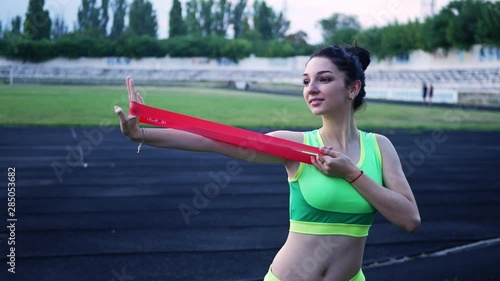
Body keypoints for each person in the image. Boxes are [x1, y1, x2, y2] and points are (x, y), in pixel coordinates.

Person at [114, 44, 421, 281]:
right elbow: (215, 141)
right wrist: (142, 133)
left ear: (352, 88)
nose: (311, 88)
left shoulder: (379, 147)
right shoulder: (297, 145)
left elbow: (409, 220)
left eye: (324, 79)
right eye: (306, 81)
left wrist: (352, 173)